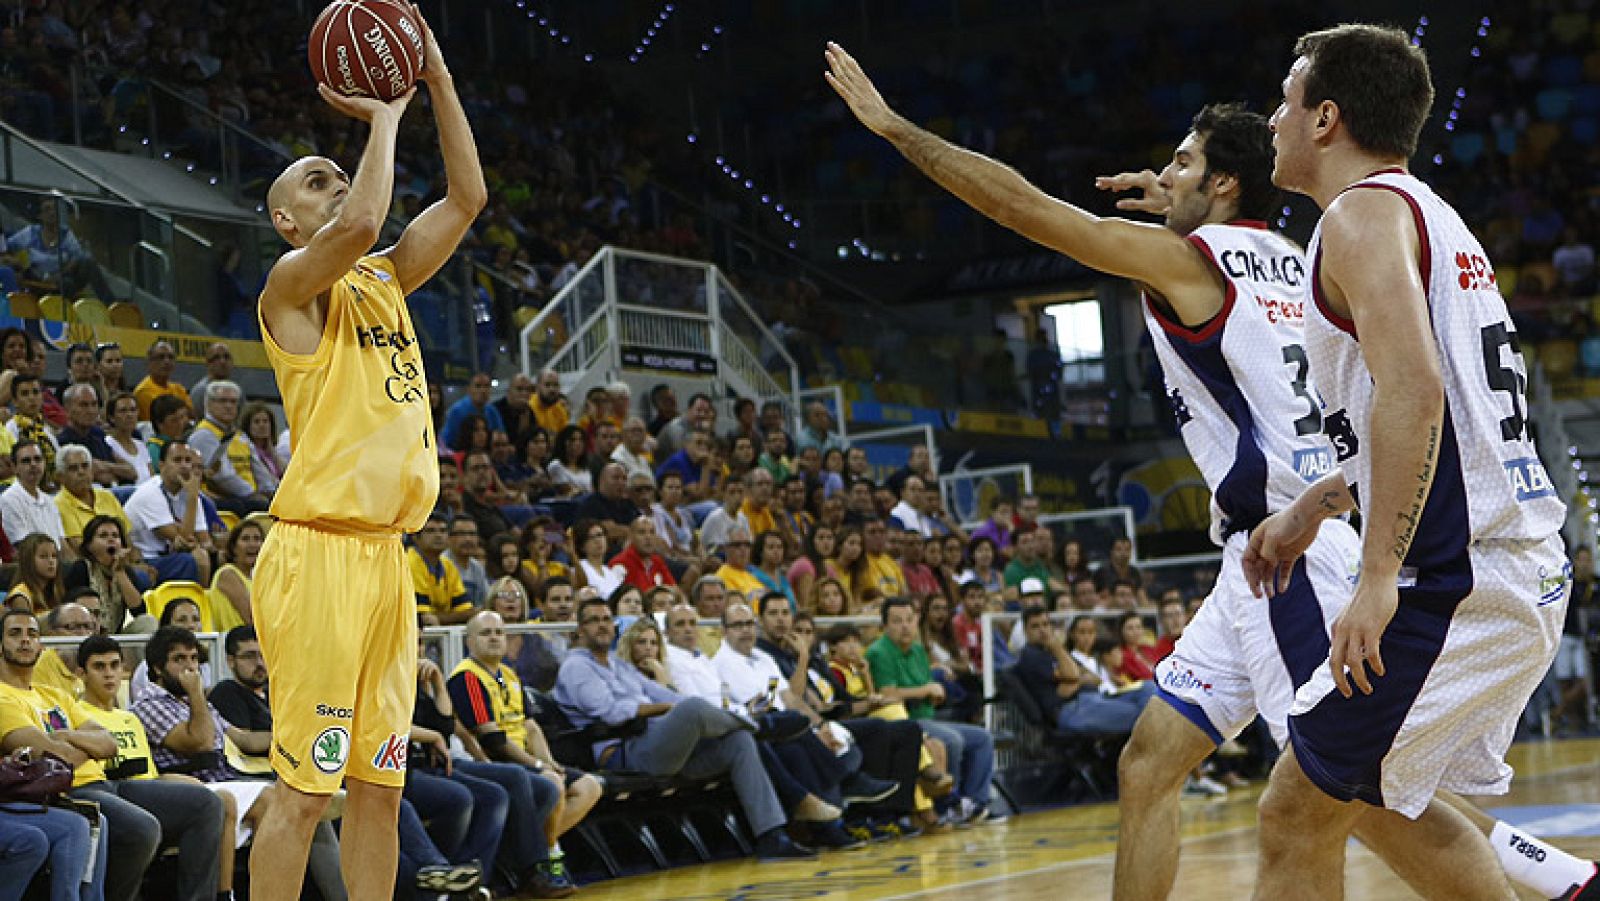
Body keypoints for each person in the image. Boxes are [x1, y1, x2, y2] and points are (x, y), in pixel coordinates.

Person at [1241, 24, 1584, 900]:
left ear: (1325, 119)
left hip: (1455, 579)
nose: (1272, 119)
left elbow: (1416, 392)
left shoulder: (1358, 218)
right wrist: (1313, 507)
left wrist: (1379, 573)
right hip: (1506, 564)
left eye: (1285, 101)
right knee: (1378, 796)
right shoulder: (1429, 215)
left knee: (1293, 813)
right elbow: (1435, 422)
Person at [250, 8, 487, 899]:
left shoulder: (385, 278)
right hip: (315, 555)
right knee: (305, 792)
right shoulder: (289, 289)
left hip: (387, 560)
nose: (336, 180)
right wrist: (385, 116)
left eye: (337, 172)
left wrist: (433, 77)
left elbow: (468, 201)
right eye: (318, 180)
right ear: (284, 219)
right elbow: (355, 226)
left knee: (379, 790)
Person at [553, 595, 814, 860]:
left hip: (664, 746)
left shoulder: (618, 665)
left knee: (738, 740)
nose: (602, 625)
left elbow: (663, 694)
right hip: (625, 752)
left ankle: (772, 836)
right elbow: (611, 713)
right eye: (593, 620)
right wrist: (673, 710)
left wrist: (683, 707)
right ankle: (760, 725)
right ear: (580, 629)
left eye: (606, 619)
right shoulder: (576, 667)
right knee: (692, 710)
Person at [0, 610, 223, 901]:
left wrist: (65, 737)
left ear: (42, 645)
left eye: (32, 634)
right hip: (67, 791)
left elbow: (108, 744)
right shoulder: (4, 697)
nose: (26, 641)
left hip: (108, 781)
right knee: (142, 827)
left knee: (206, 804)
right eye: (15, 634)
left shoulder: (55, 695)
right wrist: (79, 747)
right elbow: (50, 759)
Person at [448, 611, 599, 896]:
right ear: (469, 641)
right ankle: (545, 861)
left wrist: (549, 761)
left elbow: (530, 726)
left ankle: (520, 852)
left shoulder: (509, 674)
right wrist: (538, 765)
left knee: (589, 786)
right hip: (498, 760)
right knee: (552, 783)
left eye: (499, 632)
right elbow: (491, 738)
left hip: (526, 758)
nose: (494, 637)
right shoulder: (466, 677)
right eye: (486, 633)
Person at [864, 598, 995, 826]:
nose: (905, 626)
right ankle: (947, 807)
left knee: (982, 738)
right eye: (897, 621)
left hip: (926, 716)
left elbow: (926, 691)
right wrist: (926, 689)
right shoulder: (879, 652)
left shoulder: (917, 650)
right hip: (902, 722)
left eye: (909, 620)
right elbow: (887, 695)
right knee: (951, 740)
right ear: (884, 626)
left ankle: (975, 803)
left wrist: (934, 694)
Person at [1014, 606, 1149, 735]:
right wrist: (1057, 647)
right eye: (1035, 626)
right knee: (1142, 715)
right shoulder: (1031, 655)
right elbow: (1073, 675)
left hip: (1092, 698)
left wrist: (1076, 680)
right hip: (1071, 709)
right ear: (1026, 631)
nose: (1043, 630)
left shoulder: (1049, 652)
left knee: (1149, 689)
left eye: (1045, 624)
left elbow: (1090, 676)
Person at [123, 441, 213, 585]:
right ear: (162, 465)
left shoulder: (190, 490)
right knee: (191, 559)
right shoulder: (150, 493)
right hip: (146, 559)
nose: (184, 466)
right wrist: (192, 499)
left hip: (170, 555)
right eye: (177, 460)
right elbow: (184, 539)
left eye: (188, 460)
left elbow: (203, 538)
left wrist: (201, 545)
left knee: (212, 556)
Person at [188, 381, 271, 516]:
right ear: (208, 404)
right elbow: (223, 477)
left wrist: (270, 490)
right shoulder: (204, 435)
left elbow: (258, 468)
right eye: (222, 401)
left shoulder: (239, 434)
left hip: (249, 496)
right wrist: (252, 494)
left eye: (233, 402)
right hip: (222, 498)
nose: (228, 406)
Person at [63, 516, 152, 635]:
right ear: (89, 545)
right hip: (85, 633)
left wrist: (120, 573)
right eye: (103, 536)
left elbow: (139, 611)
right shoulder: (81, 568)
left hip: (115, 636)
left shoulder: (126, 572)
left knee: (147, 622)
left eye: (115, 536)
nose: (111, 539)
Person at [54, 445, 128, 558]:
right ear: (61, 477)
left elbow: (127, 536)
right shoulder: (59, 504)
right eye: (73, 468)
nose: (81, 472)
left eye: (85, 466)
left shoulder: (107, 496)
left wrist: (136, 562)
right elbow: (80, 548)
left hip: (122, 560)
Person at [57, 384, 131, 487]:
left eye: (94, 404)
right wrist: (114, 471)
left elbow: (131, 471)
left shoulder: (98, 435)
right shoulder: (63, 442)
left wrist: (103, 465)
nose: (91, 410)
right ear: (67, 410)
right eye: (84, 405)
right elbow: (99, 478)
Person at [410, 514, 474, 627]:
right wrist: (452, 616)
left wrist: (439, 617)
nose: (438, 535)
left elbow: (467, 611)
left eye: (443, 531)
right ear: (415, 537)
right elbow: (422, 617)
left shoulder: (448, 565)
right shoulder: (410, 562)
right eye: (430, 531)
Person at [0, 443, 66, 550]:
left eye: (38, 459)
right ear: (14, 467)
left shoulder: (49, 500)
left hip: (56, 560)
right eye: (26, 461)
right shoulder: (9, 499)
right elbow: (24, 546)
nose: (33, 464)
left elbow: (62, 544)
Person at [441, 373, 506, 451]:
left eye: (486, 386)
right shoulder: (456, 411)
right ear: (469, 389)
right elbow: (446, 441)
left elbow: (501, 435)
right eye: (478, 386)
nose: (483, 390)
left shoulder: (492, 411)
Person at [132, 340, 190, 423]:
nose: (166, 361)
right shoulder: (143, 391)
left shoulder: (179, 389)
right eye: (161, 357)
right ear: (149, 362)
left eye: (170, 357)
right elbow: (160, 423)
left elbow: (191, 417)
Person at [103, 393, 153, 485]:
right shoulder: (108, 444)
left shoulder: (141, 445)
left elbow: (152, 477)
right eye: (123, 411)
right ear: (112, 418)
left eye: (133, 410)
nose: (129, 415)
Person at [239, 403, 287, 496]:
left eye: (265, 421)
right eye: (256, 422)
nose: (262, 425)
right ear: (248, 426)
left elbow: (286, 473)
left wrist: (271, 450)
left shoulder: (273, 450)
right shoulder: (246, 449)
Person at [189, 342, 241, 407]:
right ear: (207, 363)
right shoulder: (200, 391)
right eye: (216, 358)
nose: (223, 361)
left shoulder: (237, 390)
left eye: (226, 357)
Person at [529, 370, 570, 437]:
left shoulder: (559, 410)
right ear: (537, 387)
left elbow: (564, 439)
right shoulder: (529, 408)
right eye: (547, 385)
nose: (552, 389)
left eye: (555, 385)